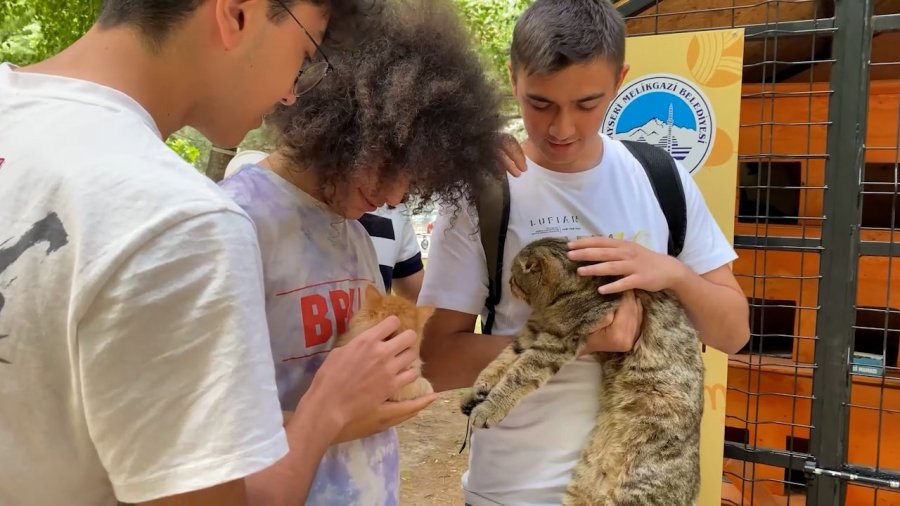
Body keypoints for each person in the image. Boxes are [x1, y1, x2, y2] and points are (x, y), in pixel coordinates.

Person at [0, 1, 430, 504]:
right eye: (305, 50)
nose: (292, 92)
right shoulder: (182, 220)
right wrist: (324, 414)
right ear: (237, 13)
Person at [418, 1, 752, 505]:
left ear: (620, 80)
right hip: (514, 491)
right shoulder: (484, 192)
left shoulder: (660, 178)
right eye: (541, 103)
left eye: (587, 103)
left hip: (637, 487)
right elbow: (436, 360)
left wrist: (673, 274)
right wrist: (585, 339)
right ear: (512, 78)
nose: (562, 129)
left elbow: (734, 332)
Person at [217, 0, 509, 503]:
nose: (397, 196)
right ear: (344, 124)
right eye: (392, 164)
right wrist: (337, 418)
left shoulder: (349, 226)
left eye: (415, 176)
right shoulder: (235, 224)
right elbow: (210, 429)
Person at [226, 153, 426, 301]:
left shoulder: (357, 238)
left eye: (410, 181)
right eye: (389, 168)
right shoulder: (231, 218)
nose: (394, 199)